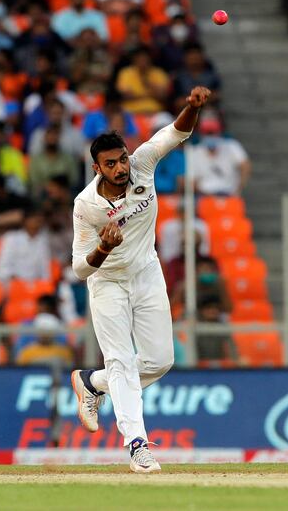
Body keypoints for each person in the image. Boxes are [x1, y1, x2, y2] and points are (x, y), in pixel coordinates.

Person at [69, 86, 211, 474]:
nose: (120, 168)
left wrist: (190, 107)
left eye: (121, 160)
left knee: (160, 361)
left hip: (147, 273)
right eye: (110, 164)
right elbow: (80, 268)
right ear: (97, 168)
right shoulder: (87, 205)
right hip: (108, 282)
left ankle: (92, 383)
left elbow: (175, 134)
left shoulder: (142, 165)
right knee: (122, 362)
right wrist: (102, 250)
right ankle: (138, 445)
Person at [188, 113, 251, 196]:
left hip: (229, 195)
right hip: (205, 196)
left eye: (212, 132)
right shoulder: (194, 152)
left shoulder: (232, 146)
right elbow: (191, 181)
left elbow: (245, 166)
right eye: (207, 133)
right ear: (201, 133)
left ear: (219, 132)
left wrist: (239, 188)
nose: (210, 136)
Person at [0, 209, 51, 282]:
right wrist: (18, 283)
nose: (38, 221)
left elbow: (45, 271)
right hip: (14, 283)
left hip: (36, 286)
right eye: (34, 218)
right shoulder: (11, 238)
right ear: (25, 221)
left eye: (40, 219)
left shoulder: (43, 241)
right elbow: (3, 267)